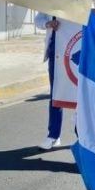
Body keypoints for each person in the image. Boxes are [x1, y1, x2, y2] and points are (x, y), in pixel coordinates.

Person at [34, 11, 63, 150]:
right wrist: (48, 24)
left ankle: (81, 135)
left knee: (79, 96)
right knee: (56, 94)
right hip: (55, 51)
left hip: (76, 51)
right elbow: (38, 18)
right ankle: (53, 135)